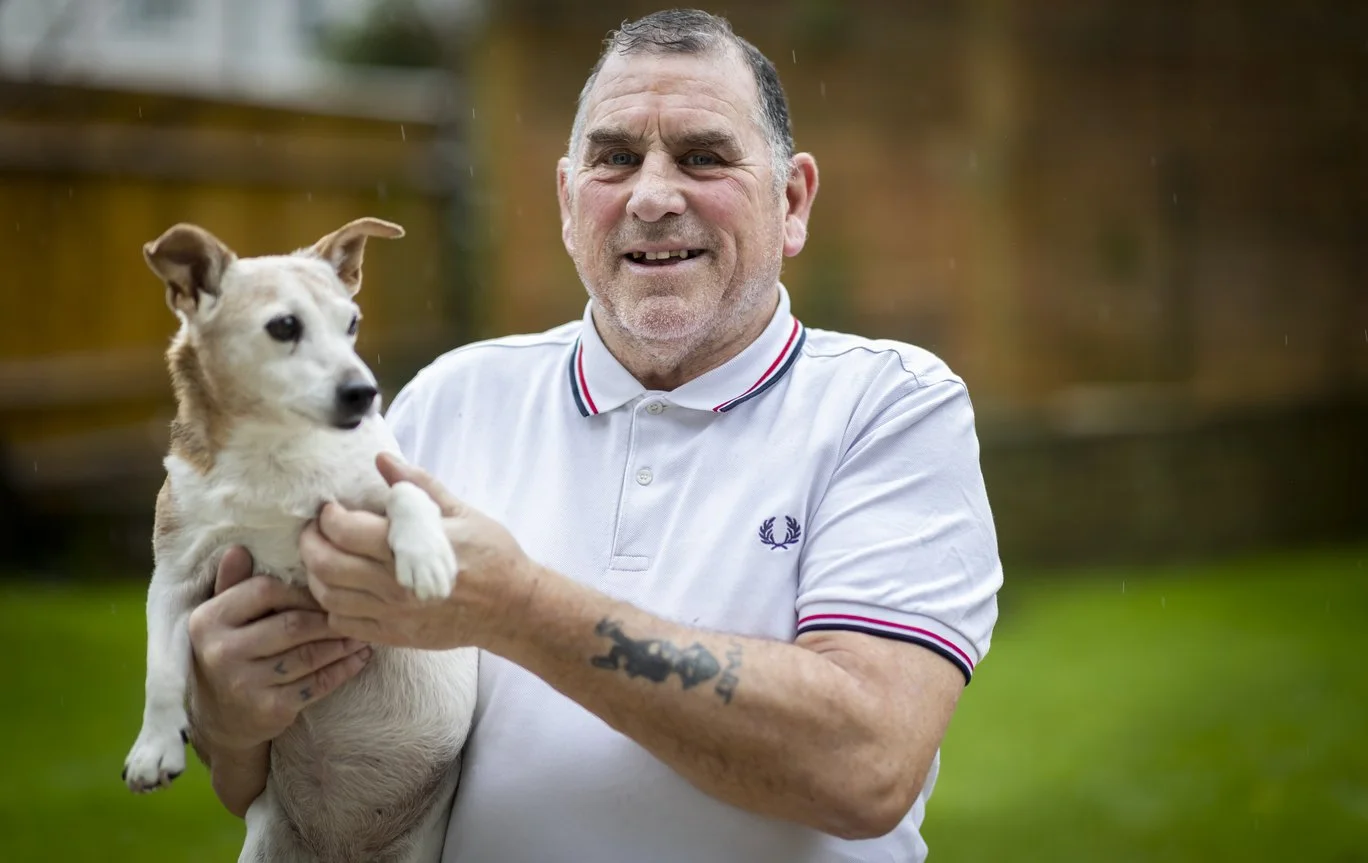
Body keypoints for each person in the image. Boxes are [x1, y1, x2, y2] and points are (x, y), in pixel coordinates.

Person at [186, 9, 1003, 862]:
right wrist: (234, 710)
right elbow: (259, 778)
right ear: (569, 201)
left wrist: (517, 607)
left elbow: (865, 766)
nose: (652, 195)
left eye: (703, 157)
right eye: (615, 159)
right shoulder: (450, 401)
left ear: (791, 201)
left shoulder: (890, 405)